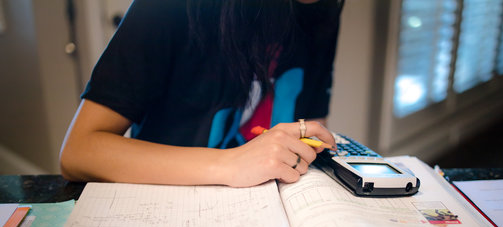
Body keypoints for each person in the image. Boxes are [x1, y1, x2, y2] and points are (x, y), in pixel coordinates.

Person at [60, 0, 344, 187]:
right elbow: (79, 152)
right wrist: (231, 164)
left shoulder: (322, 8)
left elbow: (310, 125)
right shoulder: (173, 8)